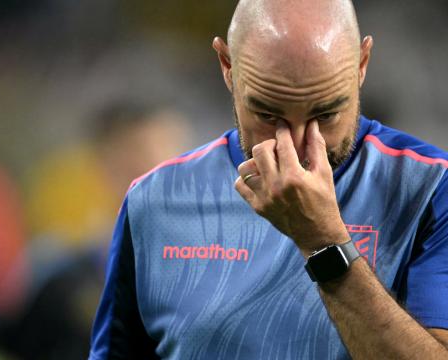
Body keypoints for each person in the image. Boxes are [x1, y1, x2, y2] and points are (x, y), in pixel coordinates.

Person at [89, 0, 448, 359]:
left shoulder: (431, 189)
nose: (295, 147)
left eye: (325, 115)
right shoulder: (155, 200)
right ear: (227, 67)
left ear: (361, 65)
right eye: (267, 114)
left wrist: (322, 242)